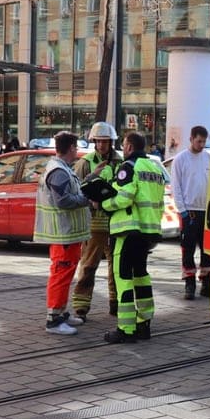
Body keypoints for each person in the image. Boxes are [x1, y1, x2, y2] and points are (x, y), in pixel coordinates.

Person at [101, 131, 165, 344]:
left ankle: (126, 328)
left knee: (124, 279)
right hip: (148, 232)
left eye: (124, 144)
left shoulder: (128, 167)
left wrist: (103, 203)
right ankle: (144, 324)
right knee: (141, 277)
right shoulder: (155, 168)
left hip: (128, 231)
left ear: (129, 146)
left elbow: (124, 197)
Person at [35, 131, 93, 335]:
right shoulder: (59, 171)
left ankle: (60, 313)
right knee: (60, 275)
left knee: (64, 274)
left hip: (67, 235)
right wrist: (87, 201)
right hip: (63, 234)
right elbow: (64, 201)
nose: (77, 151)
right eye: (76, 148)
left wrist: (93, 177)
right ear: (70, 148)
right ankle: (53, 320)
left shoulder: (62, 169)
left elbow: (71, 192)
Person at [72, 121, 121, 320]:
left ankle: (115, 303)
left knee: (116, 267)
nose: (102, 145)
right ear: (93, 142)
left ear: (111, 142)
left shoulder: (120, 162)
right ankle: (81, 307)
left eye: (105, 141)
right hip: (94, 224)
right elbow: (76, 189)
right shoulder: (85, 163)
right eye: (98, 141)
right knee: (89, 266)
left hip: (116, 222)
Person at [172, 125, 210, 300]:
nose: (202, 144)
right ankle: (189, 283)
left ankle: (206, 282)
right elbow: (176, 187)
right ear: (191, 139)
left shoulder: (208, 158)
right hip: (190, 211)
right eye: (199, 141)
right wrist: (183, 211)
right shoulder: (180, 159)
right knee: (187, 250)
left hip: (206, 210)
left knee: (207, 250)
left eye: (204, 141)